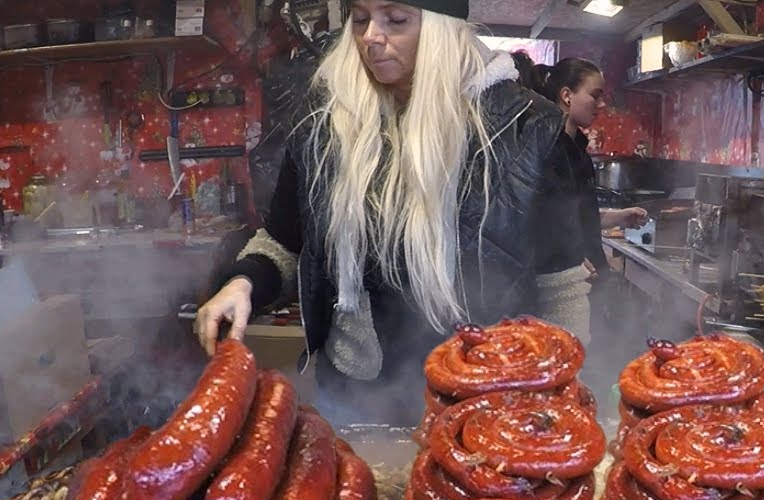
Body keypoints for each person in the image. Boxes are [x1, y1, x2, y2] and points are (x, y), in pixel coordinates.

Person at [194, 0, 564, 425]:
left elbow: (561, 283)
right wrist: (244, 283)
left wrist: (561, 397)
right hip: (355, 394)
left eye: (396, 19)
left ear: (443, 28)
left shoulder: (528, 128)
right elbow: (285, 240)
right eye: (360, 19)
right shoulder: (325, 124)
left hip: (488, 398)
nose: (370, 36)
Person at [521, 57, 648, 344]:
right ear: (567, 95)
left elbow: (575, 215)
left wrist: (617, 217)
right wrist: (573, 257)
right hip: (562, 282)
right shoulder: (547, 148)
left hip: (587, 279)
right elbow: (537, 219)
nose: (602, 105)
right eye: (595, 95)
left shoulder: (577, 148)